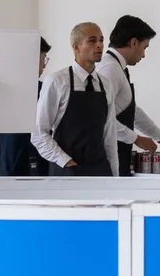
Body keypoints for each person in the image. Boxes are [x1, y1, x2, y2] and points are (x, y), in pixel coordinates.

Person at [95, 15, 160, 174]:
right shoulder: (110, 69)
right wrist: (136, 139)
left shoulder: (117, 67)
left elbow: (131, 111)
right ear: (134, 43)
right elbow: (100, 118)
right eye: (145, 47)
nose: (144, 54)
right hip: (105, 159)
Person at [32, 23, 118, 176]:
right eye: (92, 41)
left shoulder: (106, 85)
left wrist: (114, 177)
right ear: (76, 47)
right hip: (66, 172)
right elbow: (39, 134)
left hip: (100, 172)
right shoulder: (57, 81)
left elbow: (109, 137)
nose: (99, 45)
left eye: (101, 40)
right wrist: (66, 162)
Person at [0, 38, 51, 177]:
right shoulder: (43, 90)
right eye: (43, 58)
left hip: (7, 168)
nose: (44, 65)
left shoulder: (0, 90)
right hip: (32, 168)